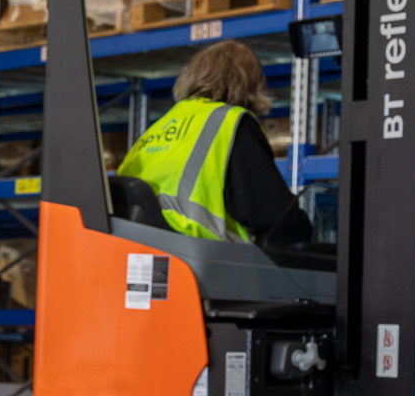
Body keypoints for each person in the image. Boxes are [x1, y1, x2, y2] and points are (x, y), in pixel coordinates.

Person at [115, 39, 311, 246]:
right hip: (197, 250)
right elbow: (275, 218)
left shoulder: (166, 121)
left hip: (137, 245)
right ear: (251, 83)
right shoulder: (231, 123)